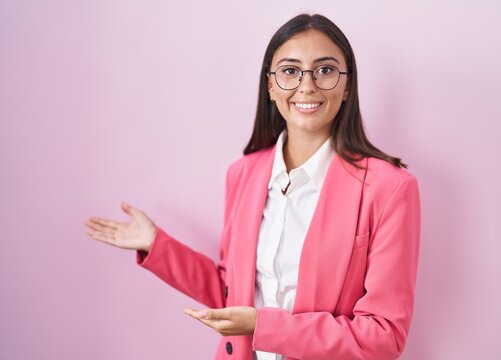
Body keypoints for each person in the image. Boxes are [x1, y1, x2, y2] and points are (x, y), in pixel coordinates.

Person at [84, 13, 421, 360]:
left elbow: (384, 336)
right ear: (271, 86)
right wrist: (157, 245)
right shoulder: (243, 174)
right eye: (290, 71)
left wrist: (263, 326)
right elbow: (234, 294)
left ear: (347, 84)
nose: (307, 86)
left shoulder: (390, 188)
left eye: (325, 70)